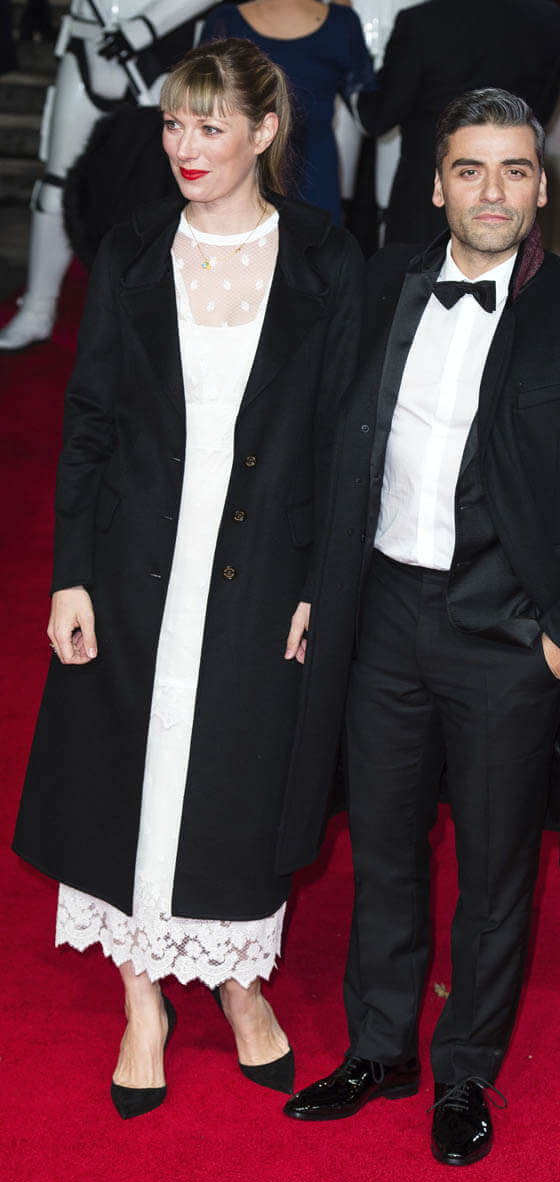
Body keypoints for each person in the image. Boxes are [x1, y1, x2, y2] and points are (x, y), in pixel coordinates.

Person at [280, 87, 560, 1166]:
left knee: (496, 870)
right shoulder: (382, 285)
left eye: (513, 170)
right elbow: (333, 443)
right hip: (382, 618)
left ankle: (463, 1070)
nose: (491, 192)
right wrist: (319, 585)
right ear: (435, 185)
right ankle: (380, 1050)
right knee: (384, 848)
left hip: (507, 631)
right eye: (469, 170)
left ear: (541, 189)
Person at [13, 36, 362, 1120]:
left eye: (211, 125)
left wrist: (320, 584)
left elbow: (342, 439)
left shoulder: (324, 259)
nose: (185, 146)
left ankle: (238, 980)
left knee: (238, 772)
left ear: (266, 131)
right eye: (174, 123)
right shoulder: (131, 247)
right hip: (133, 562)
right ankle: (142, 1003)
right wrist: (71, 574)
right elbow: (89, 421)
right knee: (131, 765)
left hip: (261, 563)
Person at [0, 0, 214, 353]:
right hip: (89, 41)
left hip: (160, 51)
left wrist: (147, 27)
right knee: (55, 188)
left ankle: (167, 316)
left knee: (166, 189)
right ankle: (38, 306)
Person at [355, 0, 560, 243]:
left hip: (431, 203)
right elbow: (543, 112)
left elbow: (377, 116)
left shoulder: (421, 21)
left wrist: (349, 71)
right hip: (513, 201)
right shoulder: (547, 17)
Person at [199, 0, 374, 223]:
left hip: (254, 173)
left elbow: (200, 106)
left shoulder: (225, 20)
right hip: (302, 174)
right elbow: (370, 110)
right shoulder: (342, 22)